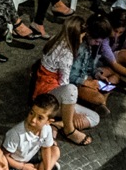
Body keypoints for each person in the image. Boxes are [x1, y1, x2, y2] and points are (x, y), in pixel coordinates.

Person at [33, 16, 100, 146]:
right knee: (71, 89)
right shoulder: (66, 53)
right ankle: (69, 130)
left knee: (94, 118)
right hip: (48, 96)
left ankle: (58, 125)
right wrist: (73, 113)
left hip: (53, 94)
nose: (82, 40)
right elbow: (65, 84)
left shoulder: (54, 40)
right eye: (81, 37)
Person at [2, 93, 61, 170]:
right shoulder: (15, 134)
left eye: (40, 117)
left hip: (29, 157)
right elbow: (3, 157)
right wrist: (22, 167)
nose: (33, 120)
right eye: (31, 113)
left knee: (55, 150)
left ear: (49, 121)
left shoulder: (47, 129)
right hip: (14, 165)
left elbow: (46, 148)